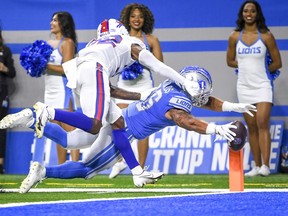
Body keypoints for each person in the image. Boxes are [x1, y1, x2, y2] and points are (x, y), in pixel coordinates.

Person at [0, 65, 257, 193]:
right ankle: (43, 170)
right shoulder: (179, 103)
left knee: (72, 140)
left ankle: (36, 119)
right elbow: (184, 120)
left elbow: (204, 101)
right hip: (123, 132)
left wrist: (232, 107)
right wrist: (215, 130)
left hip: (119, 116)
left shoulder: (173, 86)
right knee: (87, 170)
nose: (205, 97)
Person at [32, 18, 202, 186]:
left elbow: (109, 90)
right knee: (94, 124)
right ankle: (48, 112)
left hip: (80, 74)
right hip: (94, 71)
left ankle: (137, 171)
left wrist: (141, 96)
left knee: (118, 122)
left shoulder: (96, 45)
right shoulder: (129, 42)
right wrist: (183, 81)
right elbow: (157, 66)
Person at [226, 0, 282, 177]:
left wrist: (262, 69)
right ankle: (256, 166)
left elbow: (277, 63)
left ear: (257, 14)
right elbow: (230, 61)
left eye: (252, 11)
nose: (248, 14)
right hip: (244, 87)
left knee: (262, 123)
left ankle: (266, 166)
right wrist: (243, 65)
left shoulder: (266, 36)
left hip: (263, 85)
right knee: (251, 127)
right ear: (241, 14)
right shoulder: (235, 36)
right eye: (245, 11)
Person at [110, 3, 163, 178]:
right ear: (127, 19)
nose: (136, 19)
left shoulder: (151, 40)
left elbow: (159, 65)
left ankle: (140, 168)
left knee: (143, 128)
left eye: (140, 16)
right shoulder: (120, 39)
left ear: (145, 19)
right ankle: (121, 161)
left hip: (145, 87)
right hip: (124, 87)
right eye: (133, 16)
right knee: (119, 123)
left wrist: (141, 63)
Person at [44, 11, 80, 164]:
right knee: (56, 129)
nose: (51, 23)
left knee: (68, 127)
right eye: (51, 20)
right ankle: (61, 165)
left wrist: (45, 65)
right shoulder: (46, 44)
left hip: (63, 91)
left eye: (55, 20)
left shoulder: (67, 43)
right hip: (50, 90)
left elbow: (67, 69)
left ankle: (74, 164)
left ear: (62, 24)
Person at [0, 28, 16, 174]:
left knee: (1, 128)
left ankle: (0, 165)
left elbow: (12, 72)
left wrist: (4, 68)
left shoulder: (5, 51)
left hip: (1, 93)